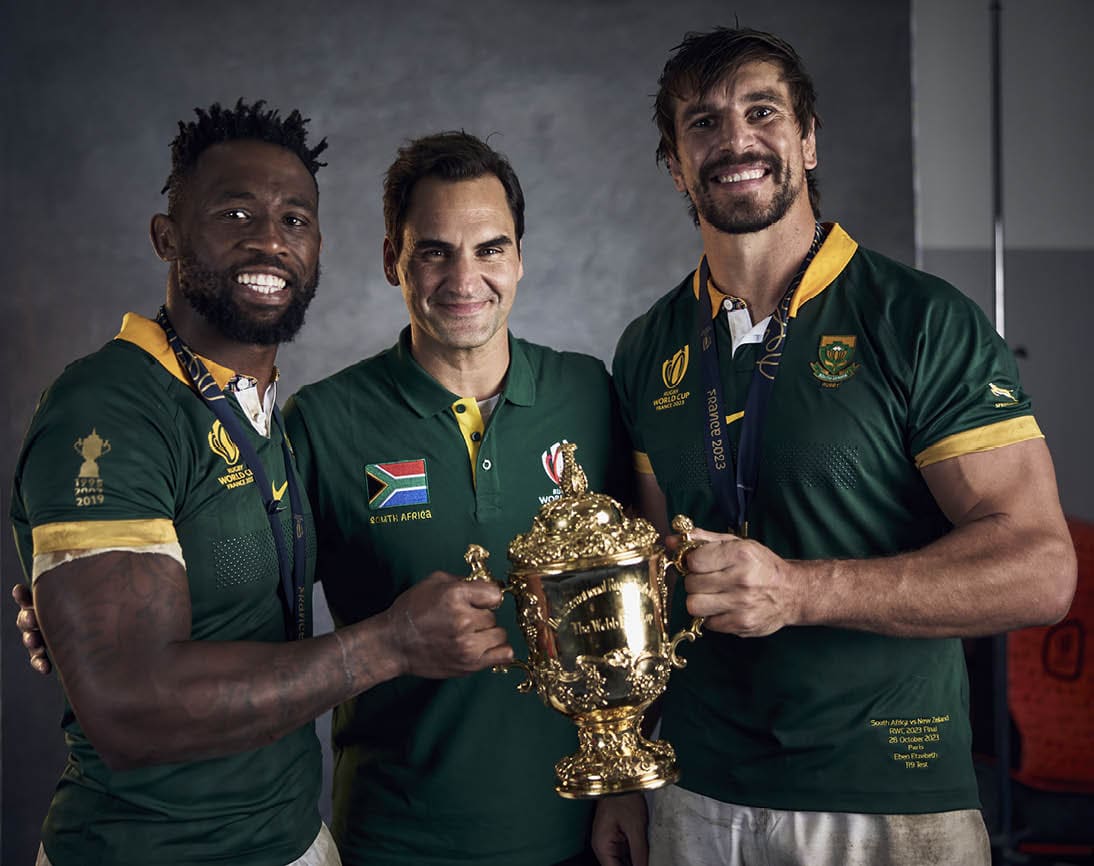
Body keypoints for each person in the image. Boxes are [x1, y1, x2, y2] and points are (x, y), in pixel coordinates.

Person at [592, 27, 1077, 866]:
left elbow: (1041, 570)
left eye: (762, 112)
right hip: (696, 789)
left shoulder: (920, 319)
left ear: (808, 140)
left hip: (885, 795)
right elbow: (647, 574)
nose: (736, 139)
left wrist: (798, 591)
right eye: (702, 124)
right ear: (674, 163)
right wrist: (623, 768)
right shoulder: (648, 347)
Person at [9, 101, 511, 866]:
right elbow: (126, 706)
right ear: (166, 237)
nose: (269, 240)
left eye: (294, 219)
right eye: (235, 212)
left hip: (290, 837)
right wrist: (391, 643)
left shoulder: (267, 413)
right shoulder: (110, 404)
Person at [281, 130, 631, 866]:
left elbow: (654, 598)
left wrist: (626, 784)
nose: (464, 277)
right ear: (391, 261)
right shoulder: (323, 421)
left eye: (490, 248)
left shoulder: (591, 393)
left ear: (520, 257)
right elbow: (245, 614)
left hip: (578, 837)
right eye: (434, 250)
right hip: (396, 841)